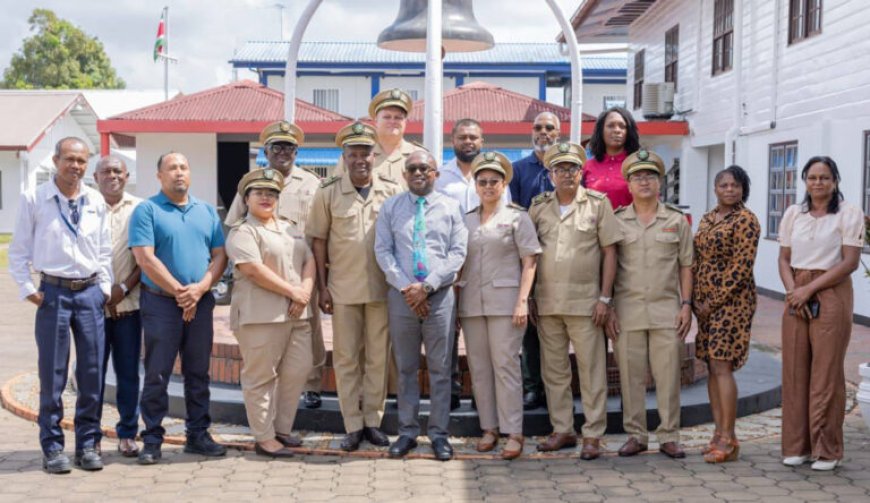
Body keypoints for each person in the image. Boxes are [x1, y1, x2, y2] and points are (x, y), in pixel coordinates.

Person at [9, 137, 112, 473]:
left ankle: (88, 444)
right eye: (69, 159)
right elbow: (18, 251)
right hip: (53, 294)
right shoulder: (35, 199)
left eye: (82, 161)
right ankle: (53, 447)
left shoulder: (95, 200)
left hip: (89, 294)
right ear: (55, 161)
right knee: (53, 374)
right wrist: (29, 289)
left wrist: (104, 289)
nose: (76, 166)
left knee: (92, 373)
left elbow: (105, 250)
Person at [306, 122, 402, 451]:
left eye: (366, 154)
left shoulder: (391, 190)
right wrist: (322, 287)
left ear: (375, 156)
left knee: (378, 358)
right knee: (347, 359)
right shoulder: (328, 191)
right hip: (343, 289)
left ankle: (373, 421)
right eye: (353, 154)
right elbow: (318, 241)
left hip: (381, 289)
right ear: (344, 157)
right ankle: (352, 424)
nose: (360, 160)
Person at [129, 152, 228, 465]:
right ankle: (152, 439)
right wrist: (180, 292)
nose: (179, 173)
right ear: (159, 175)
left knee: (198, 372)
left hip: (200, 302)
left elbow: (220, 255)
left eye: (184, 167)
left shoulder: (207, 211)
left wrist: (199, 289)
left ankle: (198, 435)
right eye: (171, 168)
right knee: (157, 373)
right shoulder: (147, 210)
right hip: (161, 303)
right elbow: (145, 258)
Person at [529, 142, 621, 460]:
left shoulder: (597, 204)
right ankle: (563, 429)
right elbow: (529, 255)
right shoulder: (538, 207)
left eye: (572, 168)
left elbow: (610, 252)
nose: (566, 174)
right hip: (548, 302)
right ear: (550, 174)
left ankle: (593, 434)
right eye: (560, 169)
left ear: (581, 172)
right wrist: (530, 296)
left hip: (587, 304)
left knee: (592, 371)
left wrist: (605, 298)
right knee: (554, 371)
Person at [375, 150, 468, 461]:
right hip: (402, 297)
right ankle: (407, 432)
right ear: (404, 174)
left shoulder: (451, 207)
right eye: (412, 168)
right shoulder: (391, 207)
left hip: (439, 297)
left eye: (425, 168)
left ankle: (439, 434)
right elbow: (383, 251)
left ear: (435, 174)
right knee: (406, 368)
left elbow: (458, 253)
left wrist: (427, 287)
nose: (418, 173)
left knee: (441, 369)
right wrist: (408, 288)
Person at [225, 121, 325, 410]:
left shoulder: (312, 184)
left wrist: (315, 280)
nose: (283, 152)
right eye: (277, 147)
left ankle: (312, 384)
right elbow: (234, 223)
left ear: (297, 152)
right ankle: (268, 388)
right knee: (265, 332)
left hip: (301, 271)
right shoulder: (251, 183)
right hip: (262, 270)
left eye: (289, 147)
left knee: (309, 328)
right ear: (265, 151)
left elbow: (320, 232)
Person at [778, 156, 865, 471]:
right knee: (794, 370)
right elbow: (783, 258)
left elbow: (849, 262)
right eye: (812, 177)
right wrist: (794, 291)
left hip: (830, 290)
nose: (818, 183)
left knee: (825, 372)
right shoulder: (794, 214)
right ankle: (797, 446)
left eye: (825, 177)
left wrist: (809, 290)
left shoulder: (847, 214)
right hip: (796, 292)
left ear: (835, 181)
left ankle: (827, 450)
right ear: (805, 181)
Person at [608, 149, 693, 460]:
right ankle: (636, 435)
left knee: (668, 376)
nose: (644, 181)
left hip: (666, 309)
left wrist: (686, 304)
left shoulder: (676, 220)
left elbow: (686, 265)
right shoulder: (617, 221)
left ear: (660, 183)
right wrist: (609, 306)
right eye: (638, 177)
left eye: (650, 176)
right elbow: (608, 266)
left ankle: (669, 435)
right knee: (630, 377)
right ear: (629, 185)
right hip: (627, 310)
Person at [226, 168, 316, 458]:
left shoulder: (290, 227)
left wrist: (304, 291)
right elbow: (252, 269)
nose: (266, 198)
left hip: (297, 314)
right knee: (261, 377)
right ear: (247, 198)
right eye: (259, 193)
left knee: (297, 371)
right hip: (261, 316)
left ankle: (281, 430)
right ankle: (264, 437)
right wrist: (293, 292)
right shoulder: (243, 231)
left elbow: (309, 259)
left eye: (272, 194)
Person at [456, 152, 540, 460]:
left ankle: (513, 431)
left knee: (506, 366)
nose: (488, 186)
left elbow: (529, 262)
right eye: (483, 182)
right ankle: (489, 428)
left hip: (506, 303)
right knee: (479, 368)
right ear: (476, 186)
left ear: (504, 184)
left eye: (494, 181)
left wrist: (522, 301)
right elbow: (459, 264)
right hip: (471, 303)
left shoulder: (518, 216)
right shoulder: (466, 219)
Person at [435, 118, 510, 410]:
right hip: (450, 262)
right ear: (452, 141)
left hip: (489, 262)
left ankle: (485, 398)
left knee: (488, 333)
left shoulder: (495, 176)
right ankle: (451, 391)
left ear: (482, 141)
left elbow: (507, 217)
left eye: (473, 137)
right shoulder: (441, 176)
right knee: (449, 329)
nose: (468, 142)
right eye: (462, 137)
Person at [692, 165, 760, 464]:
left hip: (732, 303)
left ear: (743, 189)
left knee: (722, 365)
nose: (730, 190)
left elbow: (741, 267)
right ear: (715, 189)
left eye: (735, 185)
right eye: (724, 185)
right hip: (704, 303)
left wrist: (715, 300)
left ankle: (730, 440)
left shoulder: (746, 219)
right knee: (710, 365)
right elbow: (697, 259)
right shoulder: (707, 218)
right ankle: (717, 434)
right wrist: (696, 300)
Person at [508, 111, 561, 411]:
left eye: (549, 127)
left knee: (555, 324)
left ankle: (554, 388)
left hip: (560, 256)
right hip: (527, 256)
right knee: (528, 325)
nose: (543, 132)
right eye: (538, 127)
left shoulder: (566, 167)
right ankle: (532, 388)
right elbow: (514, 213)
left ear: (558, 133)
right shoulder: (517, 170)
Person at [93, 155, 143, 458]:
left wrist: (122, 288)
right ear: (95, 177)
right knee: (92, 375)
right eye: (106, 171)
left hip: (129, 307)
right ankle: (91, 436)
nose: (112, 176)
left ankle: (127, 434)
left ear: (127, 176)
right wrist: (100, 291)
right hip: (91, 309)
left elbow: (146, 257)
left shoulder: (140, 208)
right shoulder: (85, 206)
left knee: (128, 374)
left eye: (117, 171)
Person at [334, 88, 423, 186]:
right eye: (387, 117)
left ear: (405, 121)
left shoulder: (420, 156)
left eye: (398, 117)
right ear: (376, 121)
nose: (393, 121)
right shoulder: (353, 155)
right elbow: (335, 190)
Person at [582, 106, 641, 209]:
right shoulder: (587, 166)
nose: (617, 130)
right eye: (611, 126)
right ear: (601, 130)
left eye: (622, 126)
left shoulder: (637, 165)